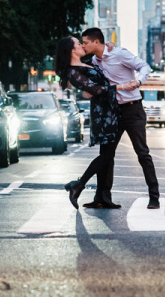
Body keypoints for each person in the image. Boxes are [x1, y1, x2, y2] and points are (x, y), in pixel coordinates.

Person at [82, 28, 160, 210]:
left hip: (133, 109)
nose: (84, 45)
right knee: (106, 155)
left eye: (85, 42)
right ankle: (102, 198)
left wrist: (139, 81)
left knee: (142, 153)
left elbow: (144, 66)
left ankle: (154, 197)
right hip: (112, 112)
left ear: (96, 42)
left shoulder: (120, 54)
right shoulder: (93, 61)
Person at [55, 36, 135, 210]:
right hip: (102, 115)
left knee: (108, 155)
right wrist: (121, 87)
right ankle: (78, 185)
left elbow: (102, 59)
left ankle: (102, 197)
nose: (82, 45)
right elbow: (94, 89)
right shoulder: (73, 71)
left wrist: (108, 46)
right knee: (107, 155)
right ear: (71, 50)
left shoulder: (86, 64)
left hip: (110, 110)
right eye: (78, 44)